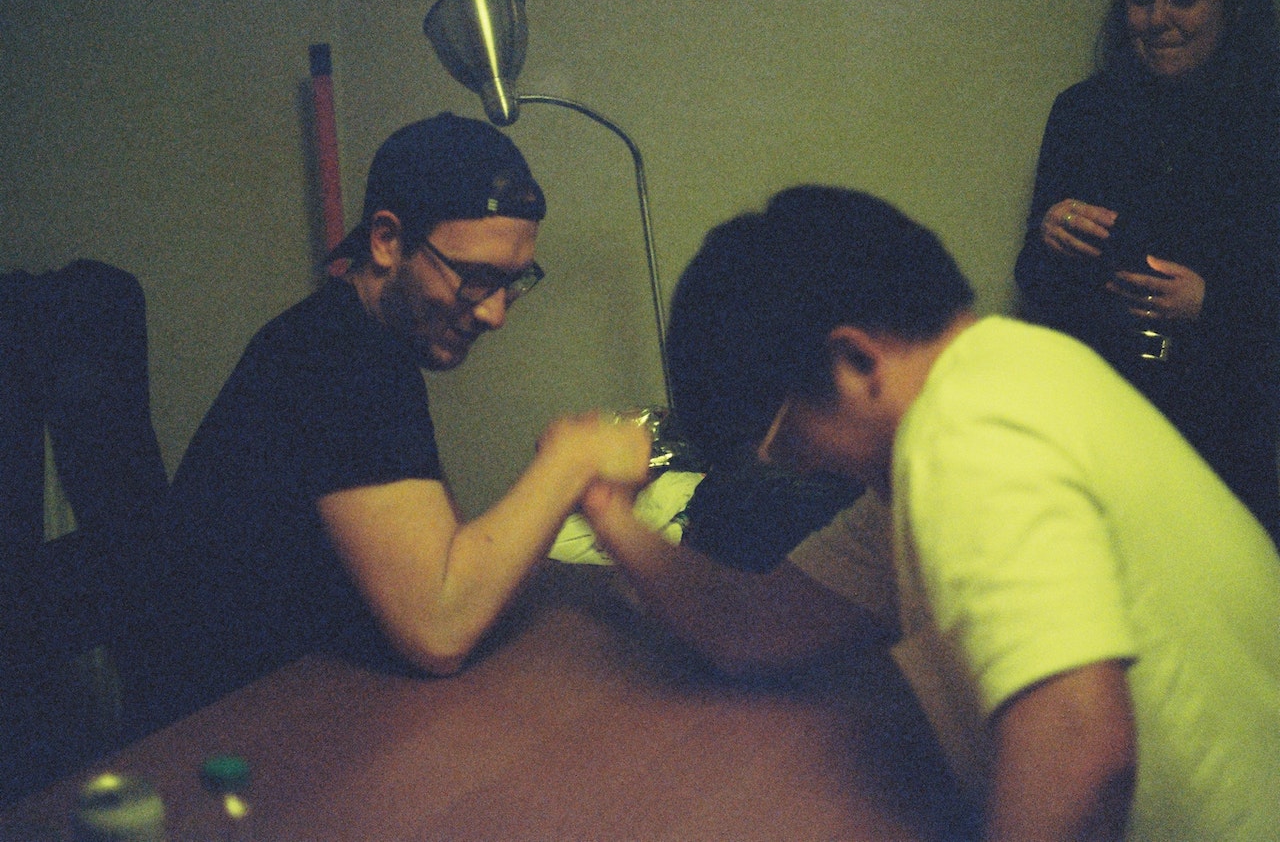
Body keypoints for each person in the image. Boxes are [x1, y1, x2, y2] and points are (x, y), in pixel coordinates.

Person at [581, 185, 1280, 840]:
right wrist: (611, 515)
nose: (794, 465)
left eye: (779, 439)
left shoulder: (961, 431)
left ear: (854, 360)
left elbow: (1078, 747)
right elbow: (755, 624)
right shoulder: (999, 383)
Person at [146, 113, 650, 727]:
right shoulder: (332, 359)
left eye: (513, 283)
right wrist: (569, 460)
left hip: (319, 700)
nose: (495, 314)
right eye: (476, 278)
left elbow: (440, 561)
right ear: (387, 239)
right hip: (219, 735)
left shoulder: (366, 343)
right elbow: (439, 628)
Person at [1014, 0, 1280, 540]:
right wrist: (1050, 235)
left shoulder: (1266, 116)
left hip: (1228, 415)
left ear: (1231, 6)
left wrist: (1213, 304)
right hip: (1099, 405)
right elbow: (1033, 283)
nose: (1157, 19)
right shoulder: (1083, 112)